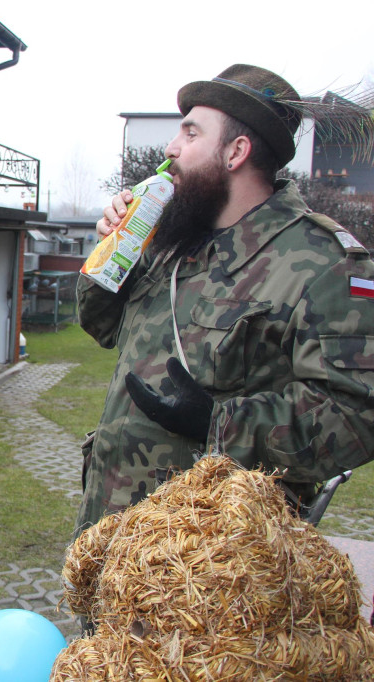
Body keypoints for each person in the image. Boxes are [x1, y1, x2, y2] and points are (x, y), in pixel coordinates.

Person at [77, 64, 374, 535]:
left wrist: (220, 424)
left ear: (236, 151)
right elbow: (101, 325)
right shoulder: (175, 239)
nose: (172, 148)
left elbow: (358, 415)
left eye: (190, 133)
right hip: (113, 528)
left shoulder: (323, 262)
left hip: (213, 566)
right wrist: (116, 247)